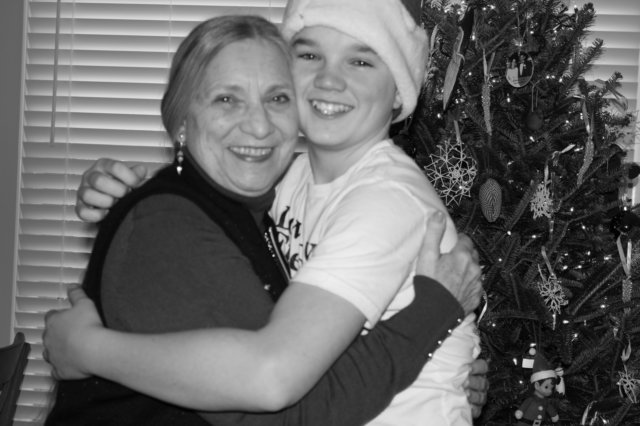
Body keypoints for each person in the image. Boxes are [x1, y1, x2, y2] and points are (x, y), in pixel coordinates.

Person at [43, 13, 487, 426]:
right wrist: (432, 314)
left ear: (399, 93)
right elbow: (280, 394)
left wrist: (89, 349)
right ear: (181, 117)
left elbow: (278, 383)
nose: (258, 127)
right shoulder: (263, 191)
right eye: (226, 99)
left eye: (275, 98)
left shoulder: (378, 198)